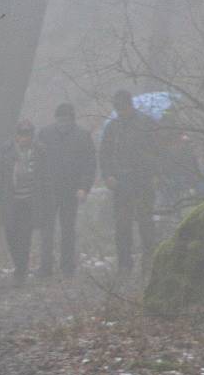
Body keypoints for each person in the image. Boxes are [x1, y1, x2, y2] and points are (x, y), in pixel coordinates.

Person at [99, 90, 160, 274]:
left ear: (129, 105)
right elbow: (104, 154)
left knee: (145, 222)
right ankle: (125, 264)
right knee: (122, 225)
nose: (120, 111)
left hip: (143, 180)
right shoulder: (112, 127)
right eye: (117, 108)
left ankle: (149, 262)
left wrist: (156, 174)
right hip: (121, 182)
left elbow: (157, 151)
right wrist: (107, 175)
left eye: (122, 108)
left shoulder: (146, 123)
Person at [37, 103, 96, 279]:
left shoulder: (83, 136)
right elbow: (37, 163)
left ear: (72, 119)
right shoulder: (45, 134)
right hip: (49, 190)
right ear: (56, 119)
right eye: (60, 119)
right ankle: (45, 266)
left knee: (68, 229)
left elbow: (89, 164)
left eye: (66, 119)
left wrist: (84, 187)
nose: (63, 122)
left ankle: (67, 266)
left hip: (71, 191)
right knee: (47, 229)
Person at [0, 119, 48, 287]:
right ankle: (18, 264)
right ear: (16, 136)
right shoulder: (6, 151)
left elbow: (46, 177)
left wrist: (46, 199)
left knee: (25, 237)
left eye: (28, 135)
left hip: (29, 201)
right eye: (22, 135)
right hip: (11, 201)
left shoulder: (40, 152)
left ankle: (21, 270)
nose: (25, 138)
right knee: (11, 235)